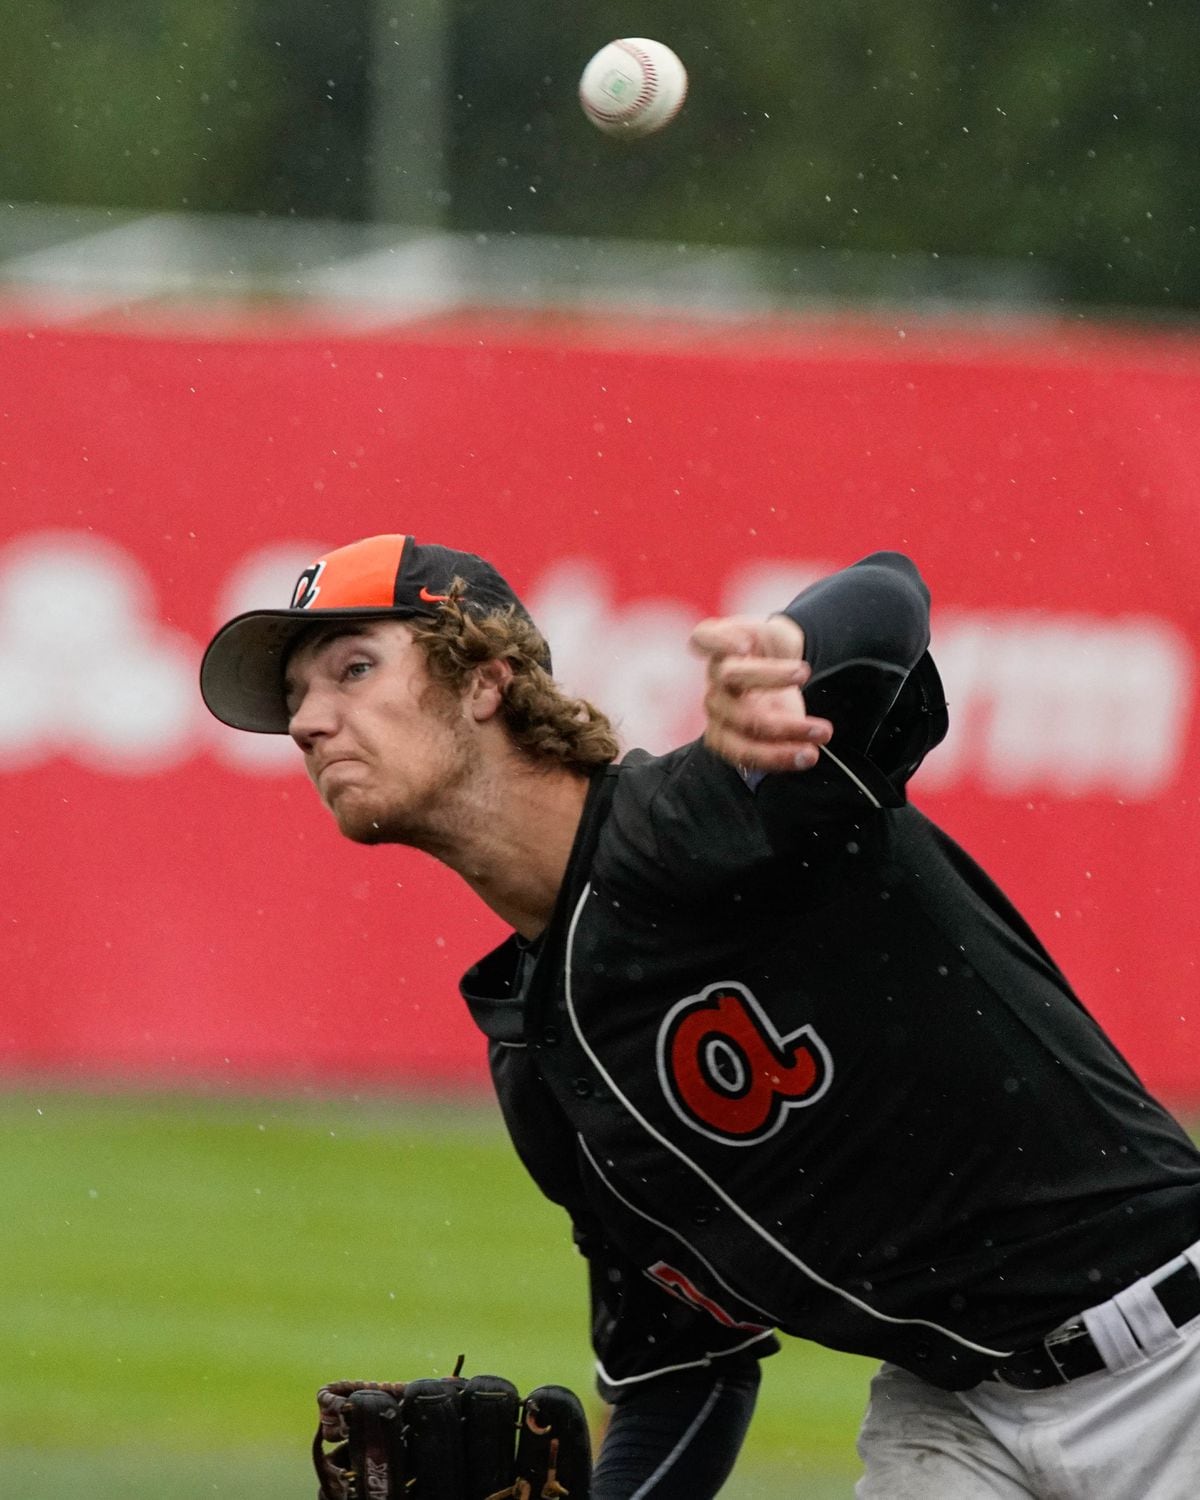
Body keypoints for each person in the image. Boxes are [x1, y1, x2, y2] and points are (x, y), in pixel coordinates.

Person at [201, 532, 1200, 1499]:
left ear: (484, 679)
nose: (307, 722)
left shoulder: (717, 813)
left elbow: (888, 598)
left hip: (1175, 1356)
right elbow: (685, 1374)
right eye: (295, 699)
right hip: (950, 1421)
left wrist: (786, 660)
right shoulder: (542, 1065)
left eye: (354, 669)